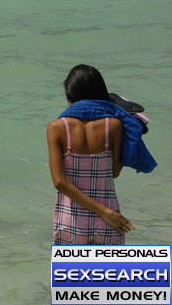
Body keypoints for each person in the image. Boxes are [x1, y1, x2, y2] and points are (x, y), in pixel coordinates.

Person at [48, 64, 136, 245]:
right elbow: (114, 172)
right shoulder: (113, 125)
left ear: (70, 96)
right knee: (111, 273)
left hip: (71, 223)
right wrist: (105, 213)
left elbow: (59, 182)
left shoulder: (56, 128)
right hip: (109, 222)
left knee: (73, 274)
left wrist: (103, 212)